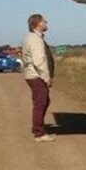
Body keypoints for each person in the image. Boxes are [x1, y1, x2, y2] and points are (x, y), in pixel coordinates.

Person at [22, 14, 55, 142]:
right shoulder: (35, 40)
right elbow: (39, 61)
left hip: (33, 75)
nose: (46, 22)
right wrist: (46, 78)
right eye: (44, 21)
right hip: (36, 76)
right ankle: (39, 133)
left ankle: (37, 127)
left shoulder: (31, 37)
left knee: (44, 101)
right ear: (38, 24)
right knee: (40, 103)